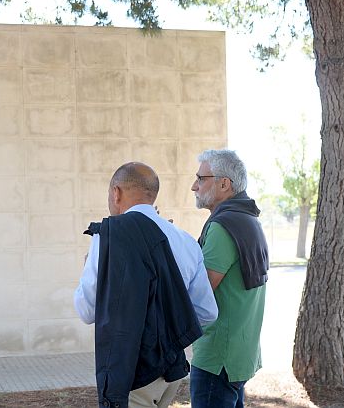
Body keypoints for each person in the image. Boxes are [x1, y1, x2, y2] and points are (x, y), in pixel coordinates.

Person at [74, 162, 218, 408]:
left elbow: (86, 311)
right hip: (171, 371)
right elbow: (207, 313)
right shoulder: (185, 240)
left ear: (116, 192)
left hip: (131, 372)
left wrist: (88, 267)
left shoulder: (108, 238)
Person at [189, 149, 268, 408]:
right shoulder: (249, 220)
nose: (194, 186)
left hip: (217, 359)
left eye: (201, 178)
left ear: (224, 184)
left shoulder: (222, 226)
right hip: (239, 355)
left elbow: (201, 292)